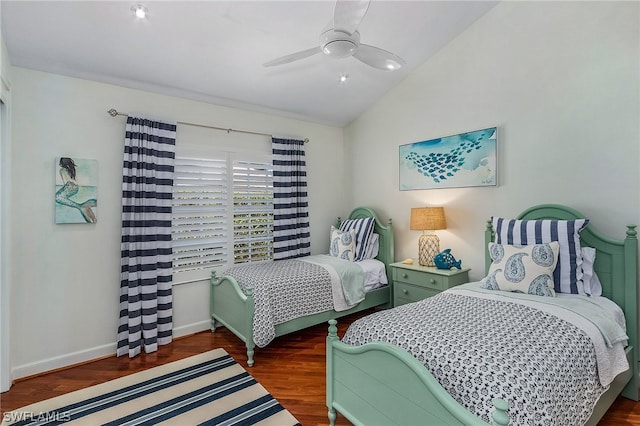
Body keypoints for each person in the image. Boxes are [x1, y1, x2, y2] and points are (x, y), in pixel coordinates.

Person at [55, 157, 97, 223]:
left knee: (57, 197)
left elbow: (64, 182)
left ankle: (80, 206)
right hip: (76, 187)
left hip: (69, 185)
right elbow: (75, 181)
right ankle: (83, 206)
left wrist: (64, 189)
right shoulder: (71, 169)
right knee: (59, 197)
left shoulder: (62, 170)